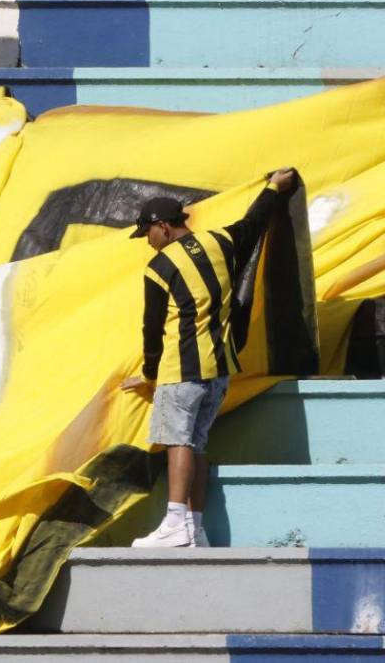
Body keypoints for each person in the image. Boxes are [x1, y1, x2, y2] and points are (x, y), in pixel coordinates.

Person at [122, 168, 299, 548]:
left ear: (163, 227)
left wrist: (150, 374)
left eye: (148, 234)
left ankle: (174, 523)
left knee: (178, 443)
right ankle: (195, 528)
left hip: (182, 370)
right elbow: (254, 221)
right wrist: (273, 187)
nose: (148, 242)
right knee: (197, 446)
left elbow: (152, 329)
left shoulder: (160, 267)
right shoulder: (221, 241)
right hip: (219, 371)